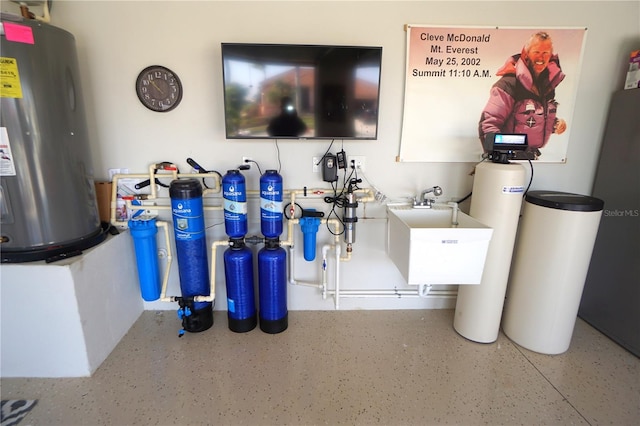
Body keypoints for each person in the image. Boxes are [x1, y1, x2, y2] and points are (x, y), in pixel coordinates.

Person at [478, 32, 567, 160]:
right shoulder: (508, 84)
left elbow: (532, 120)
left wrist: (554, 124)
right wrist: (498, 159)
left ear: (551, 55)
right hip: (508, 163)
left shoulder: (546, 85)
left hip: (531, 162)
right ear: (526, 53)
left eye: (545, 53)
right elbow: (488, 123)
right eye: (536, 52)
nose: (541, 58)